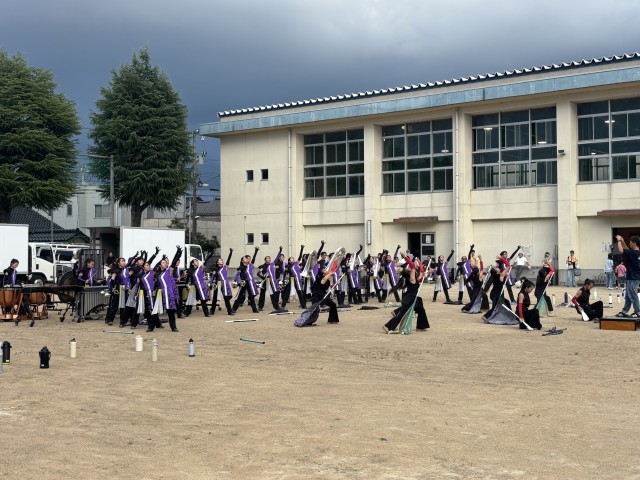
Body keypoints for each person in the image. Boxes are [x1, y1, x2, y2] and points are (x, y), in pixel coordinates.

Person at [383, 253, 429, 332]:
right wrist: (405, 257)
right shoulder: (412, 279)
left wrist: (420, 264)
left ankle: (420, 326)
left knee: (421, 309)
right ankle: (387, 326)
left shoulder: (414, 279)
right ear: (410, 272)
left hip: (414, 298)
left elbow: (421, 273)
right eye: (410, 269)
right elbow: (412, 266)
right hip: (409, 299)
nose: (411, 268)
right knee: (401, 315)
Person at [615, 235, 640, 319]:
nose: (629, 244)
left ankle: (637, 312)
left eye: (630, 242)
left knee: (633, 295)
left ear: (634, 243)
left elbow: (621, 250)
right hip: (634, 277)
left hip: (633, 277)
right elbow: (627, 250)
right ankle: (624, 311)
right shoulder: (636, 253)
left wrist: (619, 241)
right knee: (628, 296)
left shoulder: (633, 253)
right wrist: (622, 241)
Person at [156, 256, 179, 332]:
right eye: (163, 262)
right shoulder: (157, 273)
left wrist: (178, 254)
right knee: (154, 310)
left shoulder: (168, 271)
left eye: (166, 262)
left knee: (171, 311)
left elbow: (173, 264)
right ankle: (151, 326)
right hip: (159, 293)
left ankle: (173, 327)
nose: (165, 263)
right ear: (160, 265)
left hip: (168, 294)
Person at [211, 249, 234, 315]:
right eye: (220, 260)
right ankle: (212, 311)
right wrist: (211, 283)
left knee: (226, 297)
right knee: (215, 298)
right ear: (217, 262)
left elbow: (228, 261)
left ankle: (229, 311)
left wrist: (231, 252)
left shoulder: (225, 267)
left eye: (222, 260)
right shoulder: (215, 268)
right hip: (217, 284)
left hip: (224, 284)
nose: (222, 261)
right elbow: (213, 276)